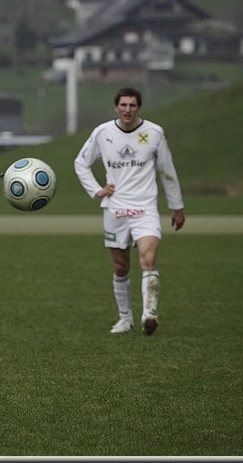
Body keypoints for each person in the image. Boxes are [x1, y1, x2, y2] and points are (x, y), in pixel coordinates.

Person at [74, 86, 185, 336]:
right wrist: (97, 189)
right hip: (115, 209)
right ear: (116, 107)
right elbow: (80, 162)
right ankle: (125, 319)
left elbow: (167, 171)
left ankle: (149, 314)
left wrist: (177, 207)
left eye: (132, 105)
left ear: (139, 108)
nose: (127, 110)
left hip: (145, 208)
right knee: (120, 266)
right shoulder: (103, 133)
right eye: (123, 105)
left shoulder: (154, 133)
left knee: (148, 259)